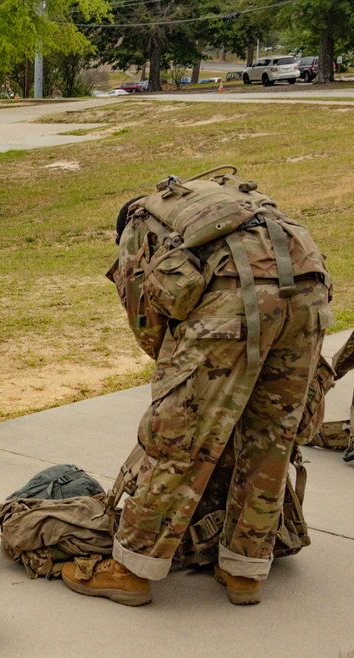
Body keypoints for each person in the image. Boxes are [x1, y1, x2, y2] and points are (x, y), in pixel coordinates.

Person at [61, 177, 332, 607]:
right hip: (310, 290)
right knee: (271, 441)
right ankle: (244, 571)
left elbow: (148, 329)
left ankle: (130, 569)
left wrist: (190, 389)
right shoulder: (216, 204)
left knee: (177, 438)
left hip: (236, 297)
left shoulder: (137, 226)